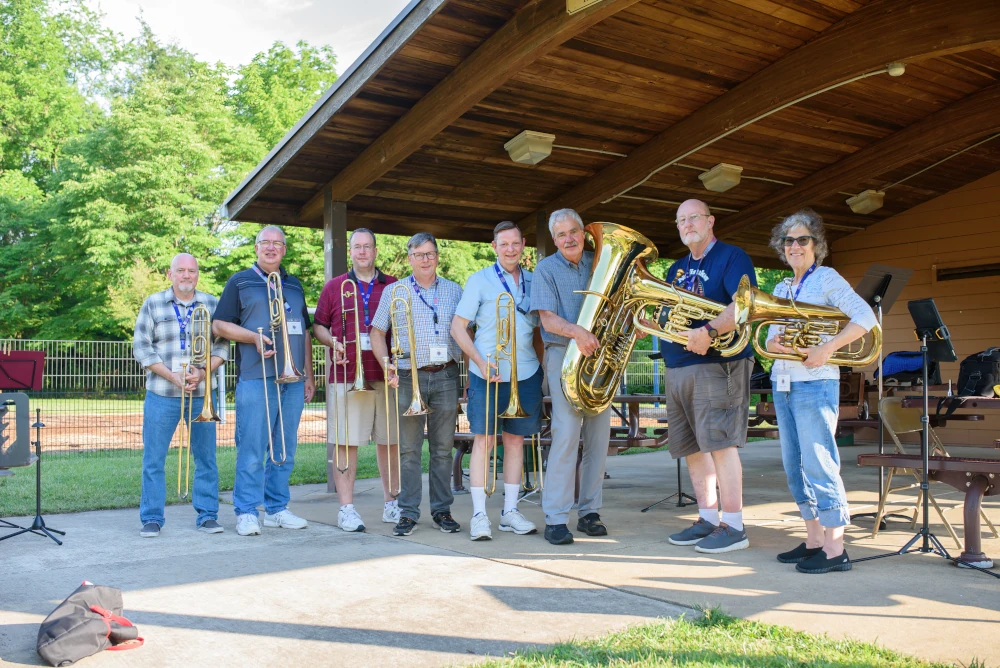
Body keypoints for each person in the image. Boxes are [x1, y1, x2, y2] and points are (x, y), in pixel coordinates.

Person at [766, 209, 877, 574]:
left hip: (816, 383)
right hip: (784, 383)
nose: (795, 246)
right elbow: (768, 333)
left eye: (802, 240)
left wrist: (828, 347)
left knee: (819, 462)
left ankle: (835, 548)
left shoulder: (827, 278)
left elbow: (865, 318)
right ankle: (814, 539)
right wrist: (777, 341)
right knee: (794, 466)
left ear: (816, 245)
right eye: (789, 241)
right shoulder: (782, 288)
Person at [661, 199, 756, 554]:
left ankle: (733, 525)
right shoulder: (676, 268)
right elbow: (669, 312)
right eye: (681, 219)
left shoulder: (732, 257)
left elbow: (744, 305)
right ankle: (708, 516)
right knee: (692, 447)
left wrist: (711, 331)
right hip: (678, 368)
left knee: (720, 443)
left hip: (719, 364)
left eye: (693, 218)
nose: (687, 225)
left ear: (711, 221)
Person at [213, 225, 315, 537]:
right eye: (265, 243)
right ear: (257, 248)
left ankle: (276, 508)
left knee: (285, 448)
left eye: (277, 243)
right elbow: (218, 325)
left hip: (292, 379)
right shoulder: (240, 281)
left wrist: (308, 374)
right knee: (253, 447)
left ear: (284, 249)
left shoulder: (295, 284)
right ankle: (246, 511)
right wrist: (253, 338)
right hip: (256, 377)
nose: (271, 248)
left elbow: (306, 332)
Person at [451, 221, 542, 540]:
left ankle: (510, 511)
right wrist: (479, 361)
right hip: (487, 374)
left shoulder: (534, 280)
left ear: (523, 244)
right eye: (504, 244)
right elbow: (458, 327)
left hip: (526, 372)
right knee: (484, 441)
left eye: (515, 243)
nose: (510, 249)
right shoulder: (480, 280)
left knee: (516, 441)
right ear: (494, 246)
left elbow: (541, 328)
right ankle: (478, 514)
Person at [370, 232, 463, 537]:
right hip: (409, 377)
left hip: (447, 375)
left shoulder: (454, 290)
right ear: (410, 258)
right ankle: (408, 512)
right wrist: (387, 367)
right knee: (409, 450)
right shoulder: (394, 291)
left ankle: (442, 510)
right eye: (419, 254)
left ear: (437, 256)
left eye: (430, 254)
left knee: (442, 449)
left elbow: (466, 332)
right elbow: (376, 333)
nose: (426, 259)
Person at [133, 253, 228, 538]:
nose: (187, 275)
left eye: (192, 271)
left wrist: (201, 373)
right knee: (153, 458)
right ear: (169, 274)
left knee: (206, 458)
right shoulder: (153, 303)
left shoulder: (212, 303)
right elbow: (142, 347)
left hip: (201, 394)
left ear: (198, 274)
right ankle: (151, 518)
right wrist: (172, 376)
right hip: (162, 393)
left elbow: (222, 348)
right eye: (181, 271)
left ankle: (208, 515)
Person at [530, 208, 610, 546]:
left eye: (573, 231)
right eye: (561, 234)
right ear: (554, 239)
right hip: (563, 354)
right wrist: (578, 333)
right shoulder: (545, 269)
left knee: (598, 437)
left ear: (584, 232)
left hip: (601, 356)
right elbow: (547, 320)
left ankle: (590, 511)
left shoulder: (600, 262)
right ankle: (556, 517)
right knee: (565, 435)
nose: (568, 238)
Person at [313, 228, 400, 532]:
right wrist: (332, 343)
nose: (362, 252)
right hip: (347, 374)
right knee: (346, 442)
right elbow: (319, 326)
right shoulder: (334, 286)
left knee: (390, 441)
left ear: (376, 251)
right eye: (357, 247)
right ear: (351, 252)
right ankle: (347, 509)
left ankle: (392, 504)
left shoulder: (393, 285)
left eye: (367, 247)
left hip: (386, 375)